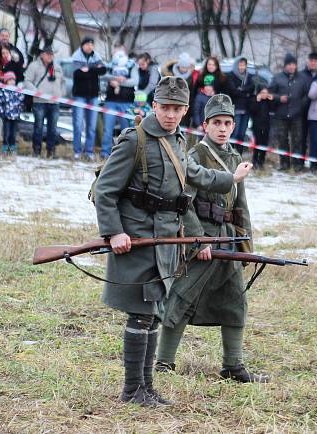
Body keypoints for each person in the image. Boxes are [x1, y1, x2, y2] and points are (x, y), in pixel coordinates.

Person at [93, 76, 253, 407]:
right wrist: (113, 232)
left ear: (184, 112)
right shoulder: (134, 140)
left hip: (165, 240)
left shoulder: (177, 141)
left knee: (151, 313)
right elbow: (105, 190)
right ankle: (132, 389)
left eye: (177, 109)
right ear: (154, 106)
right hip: (136, 238)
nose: (171, 114)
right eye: (165, 107)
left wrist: (231, 179)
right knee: (139, 314)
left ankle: (146, 387)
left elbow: (196, 176)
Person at [155, 94, 268, 383]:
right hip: (203, 238)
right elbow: (184, 203)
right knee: (181, 297)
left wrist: (245, 246)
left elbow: (240, 204)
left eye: (227, 123)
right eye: (216, 122)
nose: (222, 128)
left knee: (235, 301)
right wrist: (200, 240)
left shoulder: (234, 157)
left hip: (227, 239)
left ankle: (233, 365)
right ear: (205, 125)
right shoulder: (195, 156)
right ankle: (163, 363)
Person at [0, 29, 25, 148]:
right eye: (2, 35)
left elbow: (21, 76)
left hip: (12, 99)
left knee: (11, 122)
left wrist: (19, 87)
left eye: (7, 35)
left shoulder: (15, 62)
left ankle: (10, 143)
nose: (4, 37)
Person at [268, 53, 307, 171]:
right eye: (289, 64)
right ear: (285, 66)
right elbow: (269, 94)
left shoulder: (301, 78)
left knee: (297, 141)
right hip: (281, 115)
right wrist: (278, 98)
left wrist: (301, 106)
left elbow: (306, 95)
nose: (291, 67)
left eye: (293, 64)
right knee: (282, 141)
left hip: (296, 115)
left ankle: (297, 165)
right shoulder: (277, 78)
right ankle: (284, 164)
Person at [23, 45, 63, 158]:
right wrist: (36, 92)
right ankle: (36, 151)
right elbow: (27, 81)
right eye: (48, 54)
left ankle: (51, 151)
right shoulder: (34, 66)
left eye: (52, 54)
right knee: (38, 127)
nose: (50, 56)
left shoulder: (57, 67)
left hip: (54, 103)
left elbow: (63, 82)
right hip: (39, 102)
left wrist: (61, 93)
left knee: (53, 129)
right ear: (42, 54)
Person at [71, 36, 107, 160]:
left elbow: (103, 70)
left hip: (93, 96)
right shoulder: (76, 57)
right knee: (78, 124)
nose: (90, 46)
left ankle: (89, 151)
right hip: (79, 96)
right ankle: (77, 151)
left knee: (91, 126)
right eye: (87, 44)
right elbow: (77, 74)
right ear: (82, 45)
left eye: (92, 44)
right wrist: (93, 71)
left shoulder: (96, 57)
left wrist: (89, 69)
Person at [101, 50, 135, 159]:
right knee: (107, 129)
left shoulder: (131, 66)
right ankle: (105, 153)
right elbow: (102, 76)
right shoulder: (110, 65)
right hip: (111, 102)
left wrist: (121, 82)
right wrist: (113, 79)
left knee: (127, 130)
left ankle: (126, 153)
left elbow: (135, 81)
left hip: (127, 102)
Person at [226, 56, 256, 154]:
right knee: (235, 133)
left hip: (246, 109)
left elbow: (252, 88)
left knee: (242, 135)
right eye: (240, 65)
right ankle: (230, 154)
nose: (242, 67)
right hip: (235, 108)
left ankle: (239, 155)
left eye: (244, 65)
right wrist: (244, 92)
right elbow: (233, 91)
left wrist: (242, 90)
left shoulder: (249, 77)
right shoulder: (231, 75)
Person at [0, 71, 24, 156]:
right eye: (10, 80)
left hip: (15, 116)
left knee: (13, 133)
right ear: (6, 81)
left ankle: (13, 148)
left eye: (13, 80)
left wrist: (19, 112)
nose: (12, 82)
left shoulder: (18, 91)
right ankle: (5, 148)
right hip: (6, 116)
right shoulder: (3, 91)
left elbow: (21, 102)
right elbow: (0, 103)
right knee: (6, 133)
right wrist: (2, 113)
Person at [250, 85, 273, 169]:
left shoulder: (268, 102)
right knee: (257, 143)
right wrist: (257, 100)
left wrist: (272, 100)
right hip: (257, 125)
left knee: (264, 144)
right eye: (263, 92)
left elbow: (273, 108)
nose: (264, 94)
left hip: (266, 125)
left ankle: (261, 161)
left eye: (266, 93)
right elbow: (252, 110)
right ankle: (255, 160)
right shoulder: (255, 100)